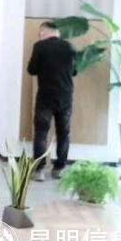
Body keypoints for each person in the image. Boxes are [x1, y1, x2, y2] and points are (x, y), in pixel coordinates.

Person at [27, 21, 77, 181]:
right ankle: (59, 169)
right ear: (57, 32)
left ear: (43, 32)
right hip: (66, 96)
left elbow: (31, 69)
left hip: (45, 96)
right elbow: (74, 71)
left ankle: (39, 170)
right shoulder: (69, 47)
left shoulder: (40, 46)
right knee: (64, 133)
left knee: (41, 133)